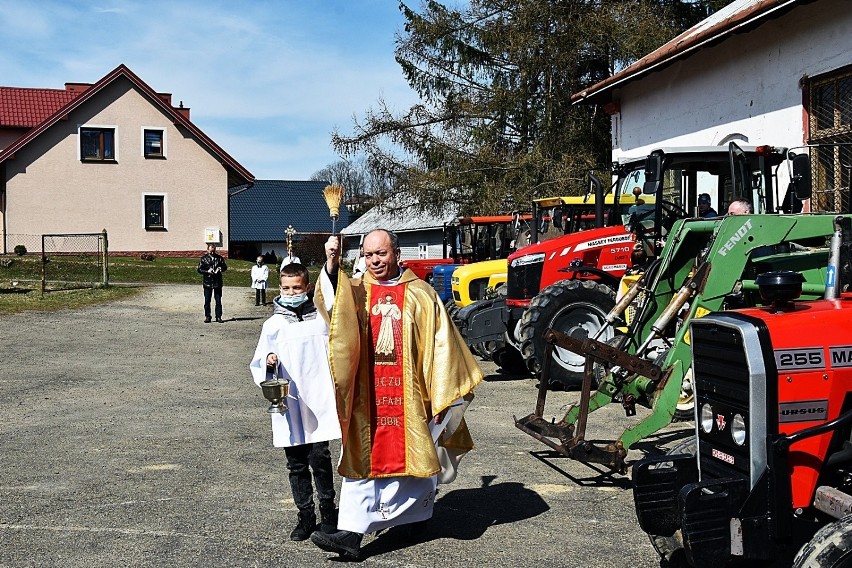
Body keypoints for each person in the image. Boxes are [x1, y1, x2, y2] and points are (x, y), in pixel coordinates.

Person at [309, 229, 483, 560]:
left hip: (412, 396)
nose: (375, 260)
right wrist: (332, 266)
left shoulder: (421, 295)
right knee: (362, 460)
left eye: (382, 253)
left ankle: (415, 517)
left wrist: (443, 396)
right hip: (367, 398)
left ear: (397, 254)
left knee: (415, 462)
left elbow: (441, 348)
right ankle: (351, 532)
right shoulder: (357, 292)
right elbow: (333, 310)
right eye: (369, 254)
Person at [249, 263, 342, 542]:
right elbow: (259, 362)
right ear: (280, 288)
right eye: (287, 288)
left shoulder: (322, 321)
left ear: (308, 288)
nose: (291, 293)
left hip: (318, 402)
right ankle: (305, 516)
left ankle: (329, 513)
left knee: (320, 459)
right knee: (296, 464)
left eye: (297, 288)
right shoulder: (273, 325)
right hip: (289, 404)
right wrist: (268, 362)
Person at [197, 243, 227, 323]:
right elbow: (199, 269)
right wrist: (207, 271)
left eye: (213, 251)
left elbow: (225, 267)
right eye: (210, 251)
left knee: (218, 300)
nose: (212, 253)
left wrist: (221, 268)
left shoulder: (220, 258)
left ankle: (218, 316)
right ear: (207, 250)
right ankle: (207, 316)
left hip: (217, 282)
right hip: (207, 282)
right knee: (207, 301)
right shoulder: (204, 259)